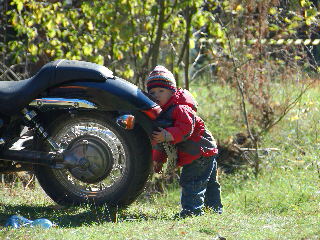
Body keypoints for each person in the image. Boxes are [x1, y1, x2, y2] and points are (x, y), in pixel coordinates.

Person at [146, 65, 223, 218]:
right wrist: (158, 161)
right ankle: (214, 209)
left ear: (172, 91)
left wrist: (168, 135)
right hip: (204, 149)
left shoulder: (180, 108)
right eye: (152, 92)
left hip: (198, 151)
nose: (157, 95)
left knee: (192, 181)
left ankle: (192, 211)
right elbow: (161, 144)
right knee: (208, 182)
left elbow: (187, 128)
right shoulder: (163, 113)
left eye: (161, 91)